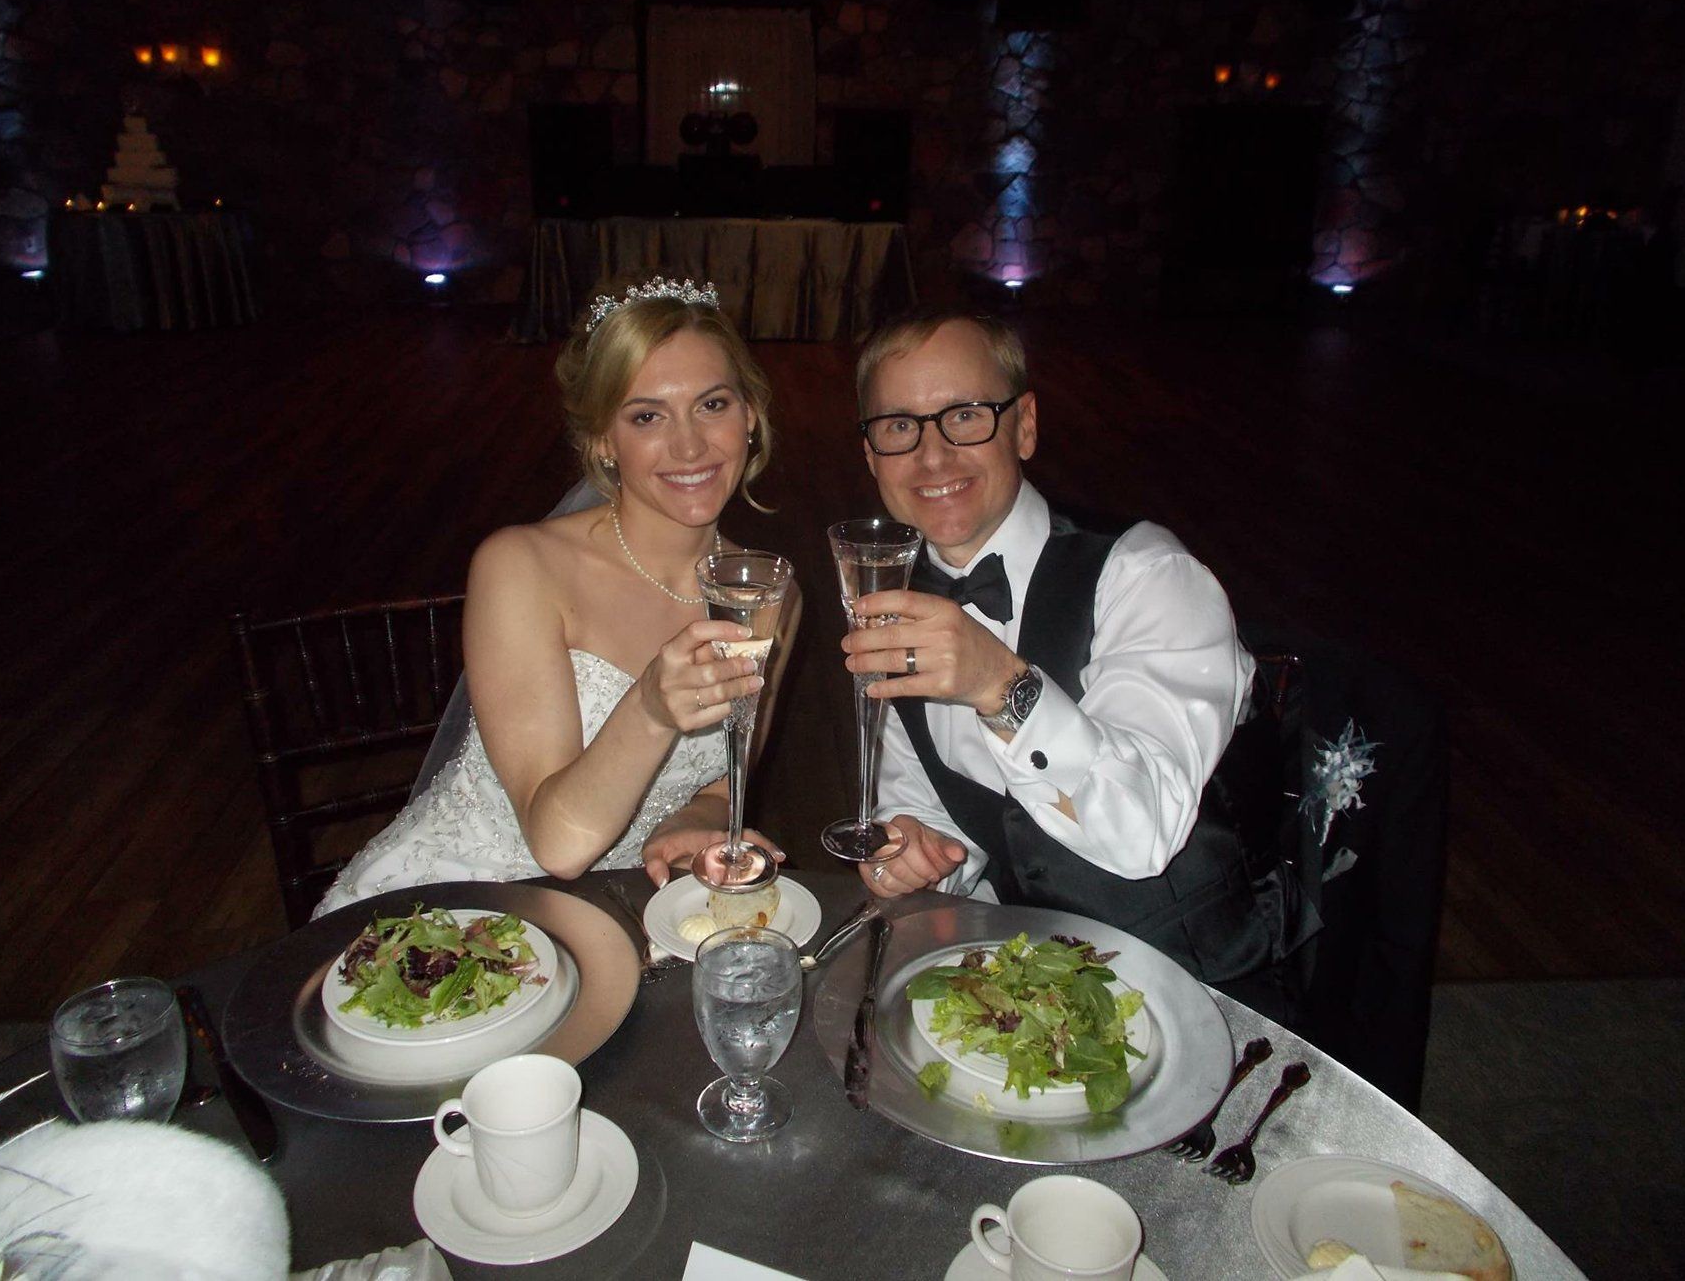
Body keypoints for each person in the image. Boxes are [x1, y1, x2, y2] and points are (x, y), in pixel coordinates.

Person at [840, 307, 1295, 1009]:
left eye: (966, 416)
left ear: (1023, 425)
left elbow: (1143, 835)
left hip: (1202, 993)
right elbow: (929, 800)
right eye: (900, 426)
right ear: (872, 455)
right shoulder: (901, 603)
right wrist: (917, 850)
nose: (932, 456)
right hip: (1023, 985)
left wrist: (1002, 686)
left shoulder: (1148, 575)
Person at [314, 275, 797, 918]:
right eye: (646, 416)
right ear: (602, 439)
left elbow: (723, 780)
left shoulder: (766, 592)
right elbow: (556, 845)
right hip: (456, 904)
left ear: (751, 416)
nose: (689, 445)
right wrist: (650, 708)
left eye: (712, 405)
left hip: (626, 907)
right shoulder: (521, 567)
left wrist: (695, 820)